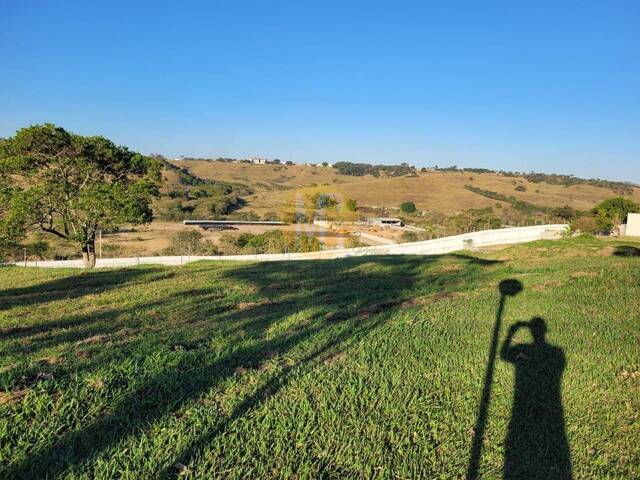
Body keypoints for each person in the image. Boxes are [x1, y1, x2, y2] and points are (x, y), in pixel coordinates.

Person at [500, 318, 572, 480]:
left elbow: (504, 355)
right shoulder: (557, 352)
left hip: (525, 402)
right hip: (551, 404)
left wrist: (511, 332)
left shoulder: (528, 349)